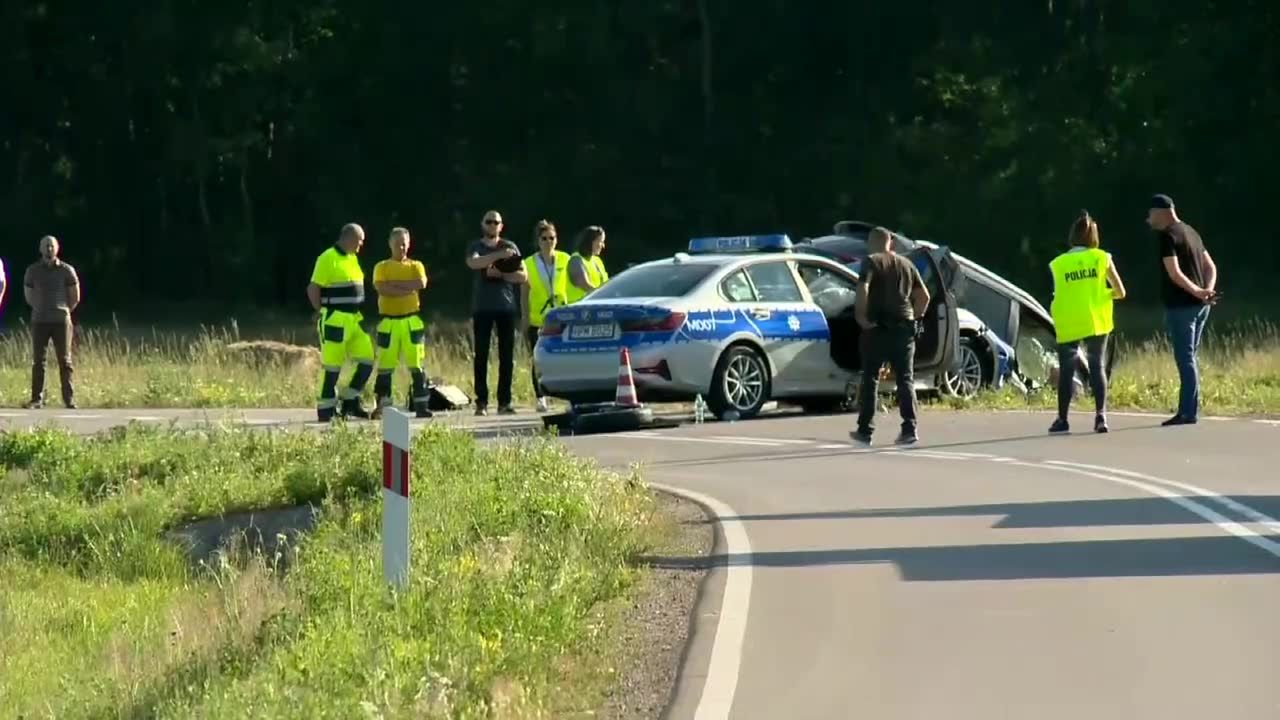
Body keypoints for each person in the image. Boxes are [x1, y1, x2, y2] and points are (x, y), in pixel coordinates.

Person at [1047, 211, 1127, 434]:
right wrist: (1102, 295)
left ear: (1073, 235)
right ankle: (1101, 416)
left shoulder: (1058, 264)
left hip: (1069, 319)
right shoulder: (1102, 258)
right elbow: (1120, 292)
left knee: (1067, 369)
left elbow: (1057, 293)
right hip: (1096, 319)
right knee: (1097, 365)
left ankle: (1062, 419)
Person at [850, 227, 930, 446]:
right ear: (890, 243)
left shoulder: (871, 261)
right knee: (906, 379)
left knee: (871, 378)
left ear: (872, 243)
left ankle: (865, 431)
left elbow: (863, 288)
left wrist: (862, 318)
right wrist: (915, 317)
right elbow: (924, 296)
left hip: (877, 328)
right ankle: (909, 430)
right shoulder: (907, 264)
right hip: (904, 329)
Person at [1148, 194, 1218, 426]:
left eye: (1151, 214)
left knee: (1185, 358)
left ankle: (1187, 412)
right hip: (1200, 306)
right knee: (1191, 357)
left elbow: (1174, 273)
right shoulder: (1191, 232)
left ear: (1162, 212)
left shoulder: (1167, 236)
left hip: (1182, 307)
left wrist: (1198, 291)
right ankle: (1190, 409)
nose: (1148, 219)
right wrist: (1207, 289)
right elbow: (1210, 266)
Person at [306, 223, 374, 421]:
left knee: (367, 359)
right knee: (333, 365)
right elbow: (313, 288)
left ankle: (349, 401)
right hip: (335, 318)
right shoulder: (328, 258)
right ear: (349, 238)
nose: (361, 245)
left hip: (354, 319)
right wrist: (320, 310)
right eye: (360, 241)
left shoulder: (352, 258)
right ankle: (326, 409)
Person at [465, 209, 527, 415]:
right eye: (489, 222)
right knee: (481, 354)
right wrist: (499, 256)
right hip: (482, 307)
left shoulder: (510, 246)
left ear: (501, 226)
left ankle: (504, 402)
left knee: (506, 356)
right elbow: (473, 262)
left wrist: (501, 273)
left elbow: (523, 275)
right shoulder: (477, 246)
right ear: (483, 224)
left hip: (505, 307)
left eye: (496, 222)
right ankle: (481, 402)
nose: (492, 225)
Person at [372, 227, 432, 419]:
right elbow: (381, 288)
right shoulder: (381, 266)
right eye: (398, 243)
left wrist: (394, 286)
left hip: (411, 321)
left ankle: (421, 405)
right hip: (389, 322)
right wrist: (407, 289)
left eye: (405, 243)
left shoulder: (416, 265)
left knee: (417, 365)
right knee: (385, 366)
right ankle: (384, 405)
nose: (402, 247)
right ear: (390, 244)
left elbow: (421, 283)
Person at [23, 235, 80, 409]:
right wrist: (41, 307)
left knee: (65, 360)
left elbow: (75, 296)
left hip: (60, 320)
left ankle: (69, 399)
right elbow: (29, 295)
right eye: (45, 246)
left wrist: (62, 310)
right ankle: (37, 399)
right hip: (40, 320)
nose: (48, 250)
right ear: (40, 249)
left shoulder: (66, 270)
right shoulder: (32, 271)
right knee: (39, 361)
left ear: (57, 249)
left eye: (51, 246)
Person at [520, 219, 570, 412]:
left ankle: (565, 394)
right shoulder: (529, 263)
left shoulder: (565, 259)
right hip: (538, 318)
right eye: (544, 238)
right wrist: (524, 318)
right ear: (538, 241)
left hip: (561, 317)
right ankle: (540, 396)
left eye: (552, 238)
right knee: (538, 359)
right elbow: (524, 293)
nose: (549, 242)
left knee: (565, 357)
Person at [566, 225, 609, 303]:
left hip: (595, 307)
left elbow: (606, 284)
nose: (603, 246)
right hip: (577, 309)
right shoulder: (576, 260)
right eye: (600, 241)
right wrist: (604, 296)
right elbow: (585, 285)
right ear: (590, 241)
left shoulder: (597, 261)